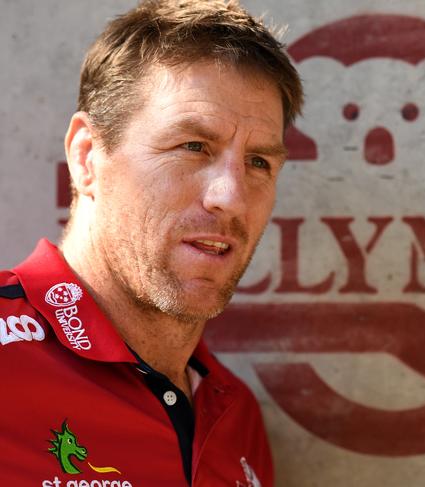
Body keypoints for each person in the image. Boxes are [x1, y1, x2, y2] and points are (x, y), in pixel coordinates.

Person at [0, 1, 302, 486]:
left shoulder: (234, 413)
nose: (231, 197)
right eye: (192, 146)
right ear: (86, 158)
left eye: (259, 162)